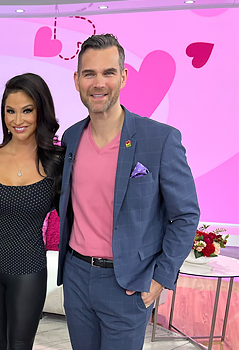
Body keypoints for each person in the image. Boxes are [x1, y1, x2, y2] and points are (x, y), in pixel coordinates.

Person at [57, 33, 200, 349]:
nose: (99, 83)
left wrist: (161, 278)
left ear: (122, 76)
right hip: (77, 277)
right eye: (89, 73)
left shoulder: (158, 139)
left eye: (108, 72)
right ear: (77, 79)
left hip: (127, 285)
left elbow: (186, 214)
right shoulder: (69, 139)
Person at [0, 73, 64, 350]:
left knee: (20, 345)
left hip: (28, 270)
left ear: (41, 111)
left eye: (27, 110)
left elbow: (76, 214)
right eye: (10, 111)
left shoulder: (56, 162)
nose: (18, 120)